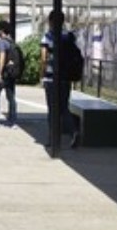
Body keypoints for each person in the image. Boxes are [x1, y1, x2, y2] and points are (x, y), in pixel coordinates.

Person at [40, 10, 78, 148]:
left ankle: (52, 139)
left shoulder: (48, 37)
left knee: (52, 110)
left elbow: (44, 59)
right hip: (66, 78)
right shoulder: (69, 36)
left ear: (50, 21)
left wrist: (42, 76)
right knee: (64, 108)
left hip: (51, 78)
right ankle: (74, 130)